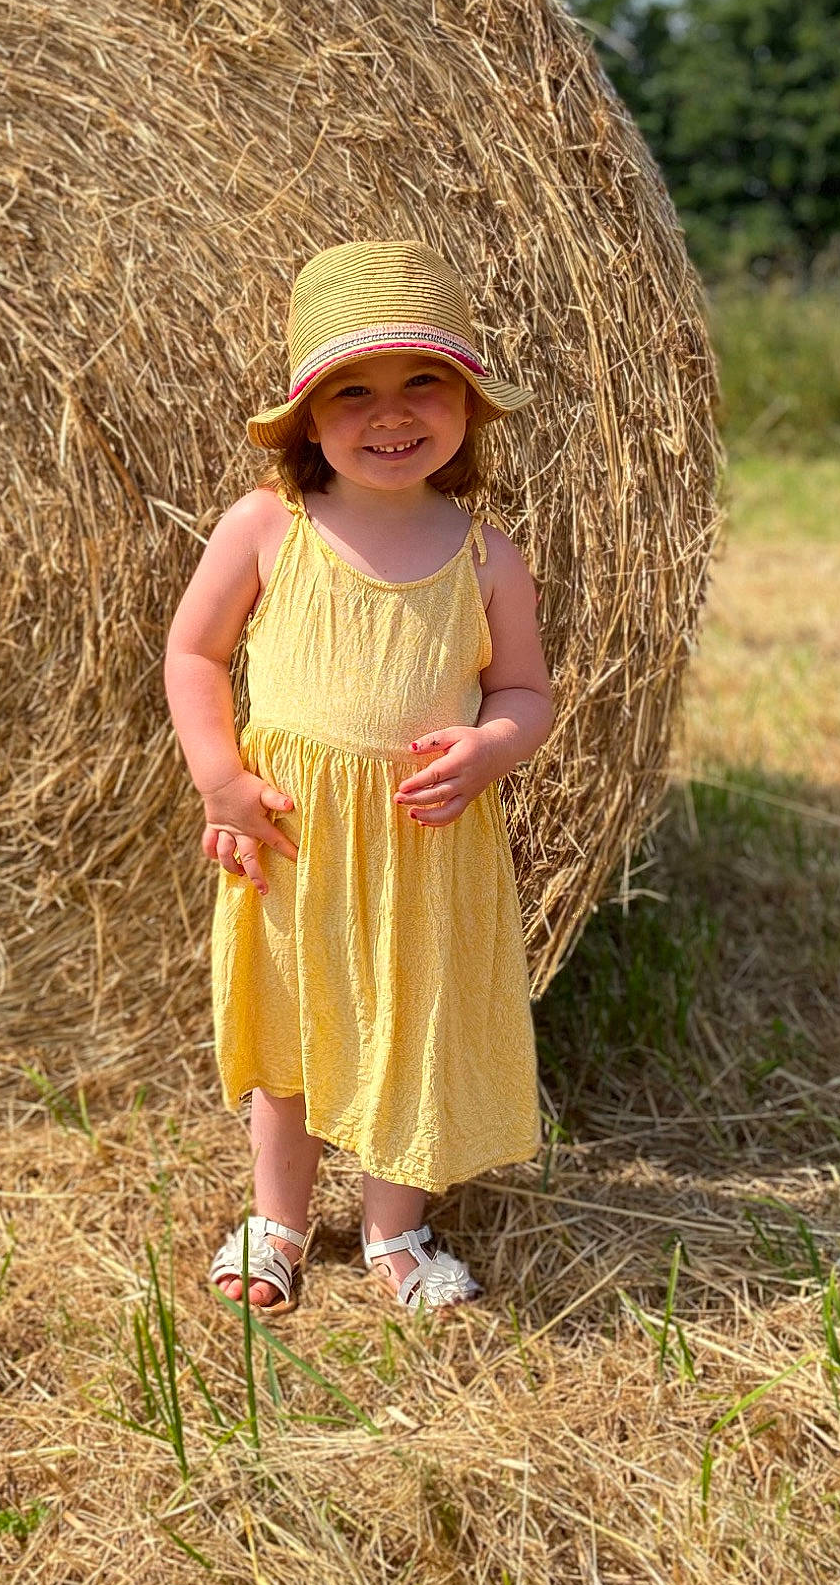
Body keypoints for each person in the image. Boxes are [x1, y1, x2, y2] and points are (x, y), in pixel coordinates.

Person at [164, 239, 552, 1320]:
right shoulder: (267, 526)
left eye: (422, 381)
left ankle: (394, 1223)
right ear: (307, 419)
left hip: (425, 843)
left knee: (411, 1029)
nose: (392, 413)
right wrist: (220, 779)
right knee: (285, 1037)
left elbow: (526, 692)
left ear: (467, 402)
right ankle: (279, 1217)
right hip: (293, 837)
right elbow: (193, 654)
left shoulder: (486, 554)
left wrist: (493, 746)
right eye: (353, 390)